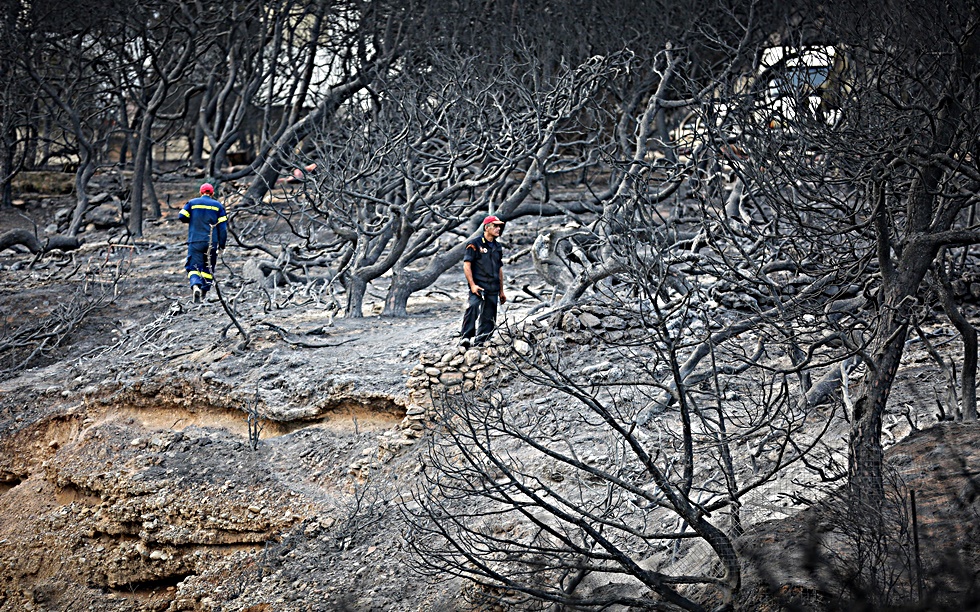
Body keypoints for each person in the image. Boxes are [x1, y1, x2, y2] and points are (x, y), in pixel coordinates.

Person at [461, 215, 507, 346]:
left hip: (493, 286)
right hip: (478, 285)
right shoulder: (474, 244)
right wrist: (472, 285)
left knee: (489, 314)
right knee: (473, 307)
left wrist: (501, 291)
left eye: (500, 226)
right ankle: (466, 337)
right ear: (486, 228)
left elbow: (499, 269)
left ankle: (482, 340)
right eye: (495, 226)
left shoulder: (497, 246)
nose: (499, 229)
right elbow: (467, 265)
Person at [179, 183, 227, 303]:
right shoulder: (218, 206)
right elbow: (223, 229)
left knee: (193, 267)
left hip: (195, 241)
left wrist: (193, 218)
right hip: (211, 242)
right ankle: (204, 294)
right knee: (208, 268)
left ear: (201, 192)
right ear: (212, 193)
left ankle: (196, 286)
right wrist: (222, 244)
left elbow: (182, 216)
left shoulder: (192, 203)